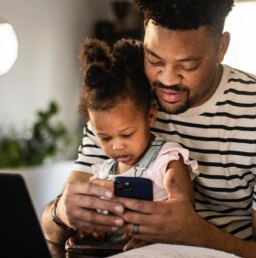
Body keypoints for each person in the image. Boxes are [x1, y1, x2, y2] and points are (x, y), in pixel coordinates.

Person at [42, 0, 256, 258]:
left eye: (187, 65)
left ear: (221, 47)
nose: (168, 79)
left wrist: (196, 235)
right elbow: (51, 230)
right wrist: (61, 212)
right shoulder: (123, 103)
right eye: (154, 59)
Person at [64, 38, 199, 250]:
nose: (117, 146)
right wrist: (91, 231)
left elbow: (184, 220)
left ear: (151, 115)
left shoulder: (167, 161)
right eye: (105, 138)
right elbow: (99, 222)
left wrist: (156, 234)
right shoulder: (102, 174)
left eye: (126, 134)